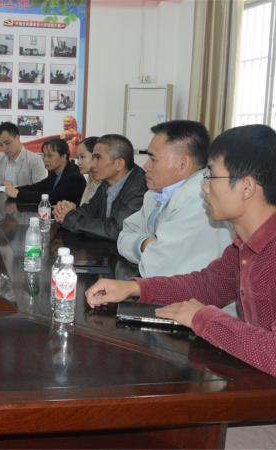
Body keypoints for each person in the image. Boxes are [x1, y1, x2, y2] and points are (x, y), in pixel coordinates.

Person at [86, 124, 276, 378]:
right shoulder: (242, 247)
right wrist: (134, 288)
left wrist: (202, 318)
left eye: (212, 176)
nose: (204, 187)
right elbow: (207, 285)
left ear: (247, 187)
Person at [118, 120, 232, 277]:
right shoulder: (155, 194)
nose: (146, 166)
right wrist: (144, 244)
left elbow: (157, 267)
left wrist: (143, 248)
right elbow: (124, 235)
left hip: (196, 292)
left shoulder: (199, 197)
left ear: (182, 164)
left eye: (153, 159)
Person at [52, 134, 146, 241]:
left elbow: (116, 230)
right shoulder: (106, 183)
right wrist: (64, 212)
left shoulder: (139, 188)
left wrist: (69, 217)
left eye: (98, 158)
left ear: (119, 163)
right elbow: (88, 210)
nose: (93, 164)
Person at [5, 138, 86, 205]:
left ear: (63, 157)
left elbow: (52, 198)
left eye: (50, 156)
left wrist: (18, 194)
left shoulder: (74, 177)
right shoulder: (55, 172)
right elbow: (38, 187)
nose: (45, 159)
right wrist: (15, 189)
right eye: (44, 155)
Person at [75, 136, 101, 205]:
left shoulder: (104, 184)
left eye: (82, 157)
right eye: (77, 158)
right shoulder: (91, 178)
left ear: (96, 156)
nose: (78, 162)